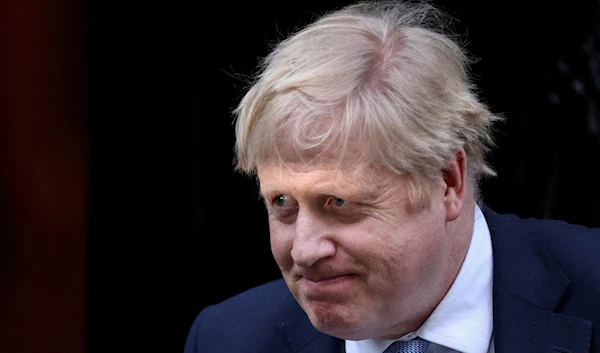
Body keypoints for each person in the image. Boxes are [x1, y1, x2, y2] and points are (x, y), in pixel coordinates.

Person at [186, 1, 600, 352]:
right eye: (282, 203)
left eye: (339, 202)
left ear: (448, 181)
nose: (305, 251)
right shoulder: (228, 339)